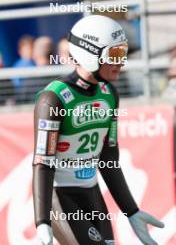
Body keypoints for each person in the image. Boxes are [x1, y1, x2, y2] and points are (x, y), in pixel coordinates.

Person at [33, 15, 164, 245]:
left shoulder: (109, 93)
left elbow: (108, 158)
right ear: (89, 54)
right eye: (114, 55)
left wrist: (131, 210)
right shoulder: (53, 99)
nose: (121, 62)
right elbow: (44, 162)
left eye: (123, 53)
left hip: (92, 193)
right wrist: (42, 220)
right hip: (60, 197)